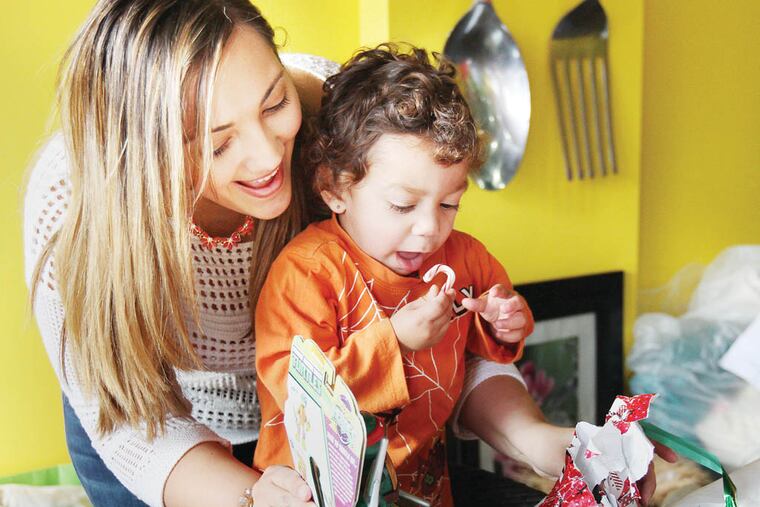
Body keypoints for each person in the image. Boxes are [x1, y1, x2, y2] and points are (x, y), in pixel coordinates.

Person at [23, 1, 554, 506]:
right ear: (144, 152)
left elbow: (441, 334)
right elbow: (134, 428)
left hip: (324, 418)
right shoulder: (71, 205)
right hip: (150, 418)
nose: (266, 155)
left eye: (275, 103)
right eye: (216, 143)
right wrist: (250, 494)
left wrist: (533, 439)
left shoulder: (343, 129)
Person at [253, 45, 562, 506]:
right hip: (312, 493)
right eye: (402, 205)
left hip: (424, 489)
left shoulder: (465, 257)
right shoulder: (306, 273)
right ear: (335, 189)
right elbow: (301, 397)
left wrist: (502, 319)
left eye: (449, 204)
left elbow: (487, 347)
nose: (429, 228)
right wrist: (394, 339)